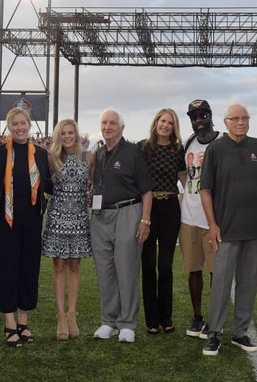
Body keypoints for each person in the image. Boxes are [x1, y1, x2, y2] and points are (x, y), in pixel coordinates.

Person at [200, 104, 257, 356]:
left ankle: (240, 332)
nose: (241, 122)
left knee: (248, 283)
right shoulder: (215, 149)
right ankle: (214, 333)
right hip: (226, 229)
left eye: (245, 118)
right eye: (235, 118)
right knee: (221, 283)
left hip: (254, 230)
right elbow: (205, 189)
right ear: (226, 122)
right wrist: (213, 225)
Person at [90, 108, 153, 343]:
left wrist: (145, 220)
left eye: (112, 123)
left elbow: (147, 190)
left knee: (126, 270)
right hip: (101, 216)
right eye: (104, 122)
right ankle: (109, 320)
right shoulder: (98, 152)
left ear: (122, 127)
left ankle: (127, 322)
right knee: (104, 271)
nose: (108, 127)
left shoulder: (133, 152)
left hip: (128, 212)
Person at [0, 107, 52, 346]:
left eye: (23, 123)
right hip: (6, 220)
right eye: (14, 124)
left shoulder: (39, 153)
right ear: (9, 127)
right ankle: (9, 323)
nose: (19, 128)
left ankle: (23, 322)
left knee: (28, 269)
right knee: (7, 269)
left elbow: (47, 184)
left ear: (29, 125)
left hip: (32, 220)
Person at [42, 118, 93, 340]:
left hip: (80, 217)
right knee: (59, 266)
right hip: (58, 216)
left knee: (74, 265)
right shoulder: (51, 157)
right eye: (63, 133)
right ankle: (61, 315)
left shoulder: (88, 158)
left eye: (71, 132)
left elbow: (95, 184)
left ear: (77, 134)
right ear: (58, 136)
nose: (67, 136)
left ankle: (73, 313)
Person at [139, 109, 186, 335]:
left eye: (170, 122)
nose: (165, 125)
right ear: (156, 122)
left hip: (169, 208)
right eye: (162, 120)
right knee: (148, 266)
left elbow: (185, 180)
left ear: (174, 127)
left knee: (165, 266)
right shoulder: (143, 147)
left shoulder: (178, 149)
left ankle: (166, 317)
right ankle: (151, 320)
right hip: (147, 209)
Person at [180, 99, 221, 338]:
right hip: (190, 217)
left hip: (215, 219)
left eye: (203, 115)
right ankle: (197, 317)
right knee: (193, 270)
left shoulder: (223, 141)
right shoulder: (188, 143)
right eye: (194, 117)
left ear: (210, 115)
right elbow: (185, 176)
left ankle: (216, 318)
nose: (198, 120)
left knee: (217, 273)